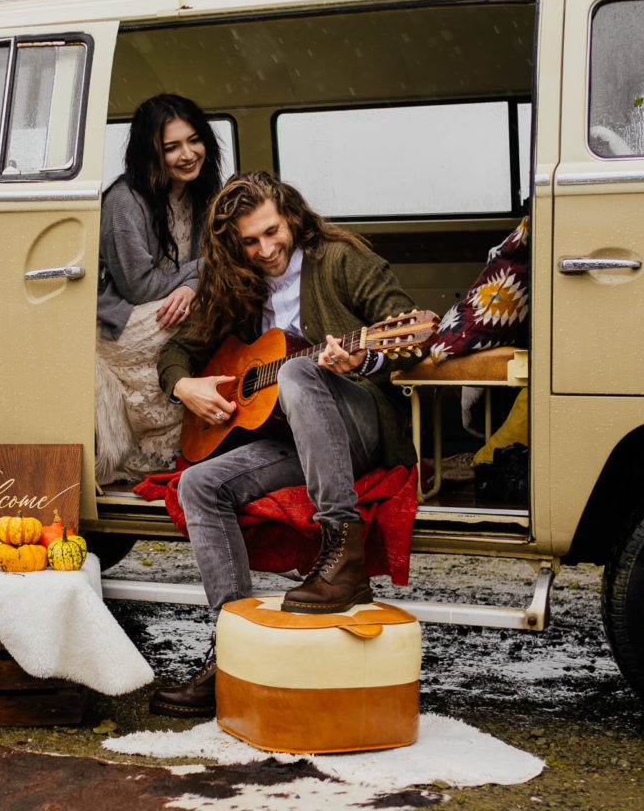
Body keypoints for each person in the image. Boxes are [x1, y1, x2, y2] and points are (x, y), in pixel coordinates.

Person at [149, 172, 438, 717]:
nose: (265, 250)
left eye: (271, 232)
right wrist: (184, 387)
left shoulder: (341, 259)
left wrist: (366, 358)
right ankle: (233, 653)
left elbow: (415, 332)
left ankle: (342, 555)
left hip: (357, 425)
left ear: (290, 214)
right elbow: (176, 353)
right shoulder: (236, 281)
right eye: (249, 242)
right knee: (198, 483)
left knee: (300, 376)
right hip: (290, 443)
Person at [94, 94, 224, 484]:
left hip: (167, 305)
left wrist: (194, 286)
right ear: (150, 152)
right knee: (209, 316)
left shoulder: (200, 192)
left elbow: (214, 263)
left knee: (218, 309)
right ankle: (159, 453)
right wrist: (197, 278)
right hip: (121, 321)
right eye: (171, 147)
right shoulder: (124, 201)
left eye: (193, 140)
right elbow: (139, 285)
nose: (188, 154)